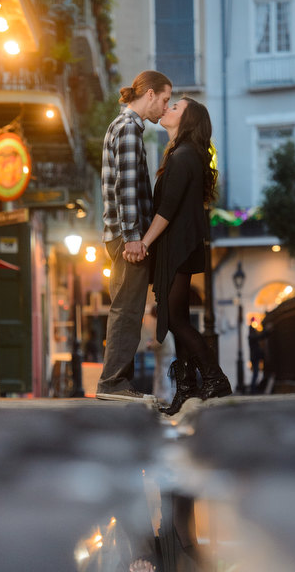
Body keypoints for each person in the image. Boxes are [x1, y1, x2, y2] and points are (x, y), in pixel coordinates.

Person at [127, 96, 231, 416]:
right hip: (178, 245)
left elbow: (167, 210)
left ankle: (214, 378)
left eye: (175, 107)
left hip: (178, 246)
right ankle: (187, 388)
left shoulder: (184, 155)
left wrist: (143, 241)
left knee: (173, 317)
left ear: (187, 120)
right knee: (176, 317)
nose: (167, 109)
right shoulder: (182, 154)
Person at [96, 70, 173, 402]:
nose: (165, 108)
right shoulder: (128, 130)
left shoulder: (122, 126)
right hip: (126, 236)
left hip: (120, 234)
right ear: (151, 94)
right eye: (166, 100)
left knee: (125, 306)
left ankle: (118, 383)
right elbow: (125, 188)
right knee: (127, 309)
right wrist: (133, 238)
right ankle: (113, 384)